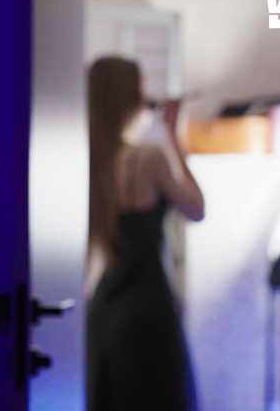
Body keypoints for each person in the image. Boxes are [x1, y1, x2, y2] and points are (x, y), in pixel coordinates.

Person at [86, 56, 205, 411]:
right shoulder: (148, 158)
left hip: (105, 309)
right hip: (147, 309)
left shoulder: (90, 162)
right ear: (131, 98)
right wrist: (174, 135)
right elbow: (196, 208)